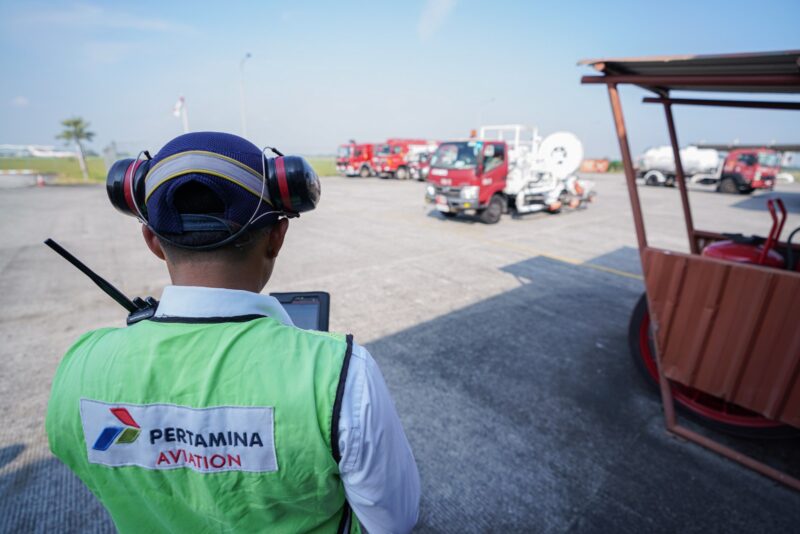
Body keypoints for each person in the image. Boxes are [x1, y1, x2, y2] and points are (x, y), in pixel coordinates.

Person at [45, 132, 420, 533]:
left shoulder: (79, 368)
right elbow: (395, 521)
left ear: (152, 240)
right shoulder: (340, 375)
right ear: (277, 236)